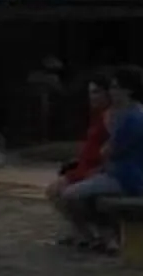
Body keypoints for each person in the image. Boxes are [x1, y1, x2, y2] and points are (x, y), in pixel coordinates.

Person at [58, 68, 143, 250]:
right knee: (79, 191)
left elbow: (109, 151)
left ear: (129, 90)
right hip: (118, 174)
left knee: (70, 194)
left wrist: (105, 157)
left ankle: (103, 235)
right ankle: (102, 235)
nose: (111, 92)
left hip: (127, 179)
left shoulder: (132, 118)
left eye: (115, 87)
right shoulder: (127, 112)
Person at [45, 75, 112, 249]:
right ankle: (82, 233)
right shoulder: (97, 116)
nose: (92, 97)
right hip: (85, 167)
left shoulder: (111, 117)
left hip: (96, 169)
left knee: (62, 192)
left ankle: (89, 234)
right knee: (56, 190)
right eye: (90, 93)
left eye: (96, 92)